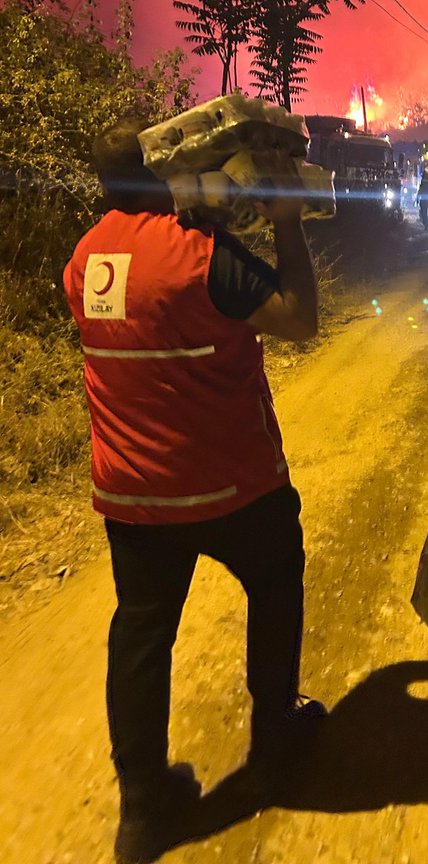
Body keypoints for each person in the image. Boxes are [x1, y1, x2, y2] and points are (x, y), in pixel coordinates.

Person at [63, 119, 325, 864]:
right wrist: (287, 226)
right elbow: (299, 319)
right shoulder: (198, 254)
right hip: (230, 482)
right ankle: (274, 742)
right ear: (165, 173)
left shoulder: (84, 260)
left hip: (133, 498)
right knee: (276, 582)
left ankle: (141, 808)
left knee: (141, 634)